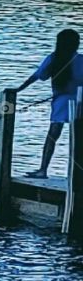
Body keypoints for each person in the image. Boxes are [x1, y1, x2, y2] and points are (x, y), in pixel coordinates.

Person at [16, 28, 83, 178]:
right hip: (79, 102)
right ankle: (77, 173)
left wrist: (18, 90)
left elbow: (37, 76)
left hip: (61, 101)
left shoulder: (54, 58)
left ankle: (43, 170)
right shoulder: (80, 60)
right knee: (78, 137)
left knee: (52, 136)